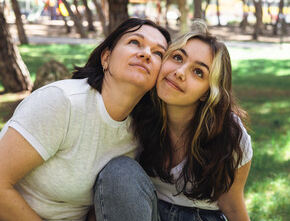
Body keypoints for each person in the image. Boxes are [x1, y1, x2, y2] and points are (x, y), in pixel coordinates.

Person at [0, 18, 171, 220]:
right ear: (106, 58)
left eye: (158, 53)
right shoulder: (62, 102)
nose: (146, 54)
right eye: (135, 42)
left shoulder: (142, 129)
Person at [96, 22, 253, 221]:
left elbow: (232, 204)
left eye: (198, 72)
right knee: (118, 172)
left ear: (207, 92)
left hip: (202, 216)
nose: (180, 72)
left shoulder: (229, 136)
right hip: (146, 211)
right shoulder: (136, 112)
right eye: (178, 58)